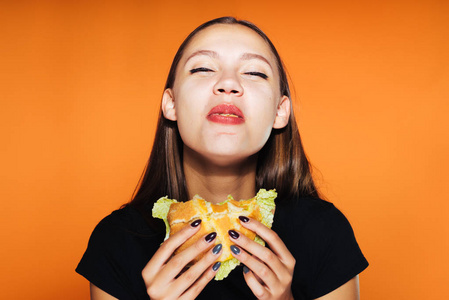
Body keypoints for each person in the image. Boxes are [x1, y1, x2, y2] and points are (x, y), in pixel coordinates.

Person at [76, 17, 368, 300]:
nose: (228, 84)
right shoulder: (115, 242)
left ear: (280, 112)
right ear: (171, 104)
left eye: (254, 73)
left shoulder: (324, 233)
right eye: (203, 68)